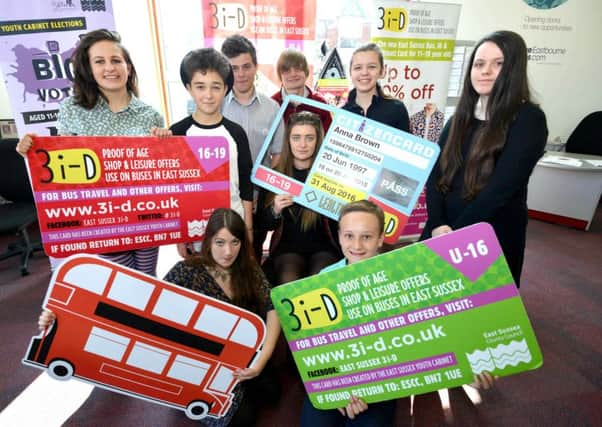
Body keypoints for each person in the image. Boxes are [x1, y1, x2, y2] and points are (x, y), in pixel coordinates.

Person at [38, 208, 280, 427]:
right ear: (207, 241)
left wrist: (260, 363)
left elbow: (273, 307)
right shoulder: (186, 271)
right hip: (198, 362)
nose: (228, 252)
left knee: (272, 392)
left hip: (238, 356)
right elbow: (141, 308)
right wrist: (58, 317)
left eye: (235, 242)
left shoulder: (247, 268)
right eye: (220, 242)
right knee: (242, 418)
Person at [301, 200, 496, 426]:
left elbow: (430, 333)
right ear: (339, 236)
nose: (357, 245)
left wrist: (466, 370)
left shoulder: (403, 278)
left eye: (366, 236)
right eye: (349, 235)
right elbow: (314, 348)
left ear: (381, 239)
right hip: (335, 380)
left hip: (383, 381)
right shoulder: (322, 279)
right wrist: (337, 392)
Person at [16, 28, 169, 276]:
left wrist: (166, 143)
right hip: (104, 218)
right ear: (89, 69)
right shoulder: (72, 110)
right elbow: (61, 165)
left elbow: (162, 169)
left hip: (146, 215)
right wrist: (32, 152)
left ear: (128, 66)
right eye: (100, 61)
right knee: (125, 283)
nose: (110, 68)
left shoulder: (150, 114)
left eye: (116, 60)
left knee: (147, 279)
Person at [420, 30, 548, 287]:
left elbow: (500, 191)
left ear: (513, 69)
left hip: (489, 231)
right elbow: (434, 173)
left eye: (497, 64)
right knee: (430, 309)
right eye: (479, 64)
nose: (485, 71)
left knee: (477, 317)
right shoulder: (460, 117)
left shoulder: (528, 119)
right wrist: (437, 222)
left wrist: (455, 236)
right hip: (442, 228)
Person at [170, 48, 254, 256]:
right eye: (200, 86)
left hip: (233, 228)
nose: (208, 95)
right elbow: (174, 190)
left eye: (215, 87)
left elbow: (245, 184)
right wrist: (178, 236)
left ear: (225, 89)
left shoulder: (236, 133)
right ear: (189, 88)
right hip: (195, 231)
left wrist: (248, 229)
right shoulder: (178, 133)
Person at [220, 34, 285, 260]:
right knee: (224, 256)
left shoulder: (273, 108)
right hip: (222, 198)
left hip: (258, 200)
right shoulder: (215, 106)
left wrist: (259, 190)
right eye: (234, 68)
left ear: (256, 67)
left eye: (246, 66)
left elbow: (276, 157)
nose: (241, 74)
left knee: (252, 256)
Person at [258, 111, 340, 285]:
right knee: (289, 281)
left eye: (309, 138)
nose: (302, 144)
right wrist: (275, 210)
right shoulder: (275, 175)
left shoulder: (330, 175)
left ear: (318, 141)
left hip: (324, 246)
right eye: (296, 138)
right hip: (287, 247)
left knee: (319, 282)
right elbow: (263, 224)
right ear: (288, 140)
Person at [342, 43, 409, 132]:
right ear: (350, 72)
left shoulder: (397, 110)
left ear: (382, 71)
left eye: (371, 67)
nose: (364, 72)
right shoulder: (341, 114)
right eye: (358, 68)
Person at [272, 49, 333, 132]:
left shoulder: (320, 103)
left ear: (306, 72)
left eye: (297, 69)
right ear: (280, 75)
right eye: (287, 70)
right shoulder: (272, 104)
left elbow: (328, 139)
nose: (293, 74)